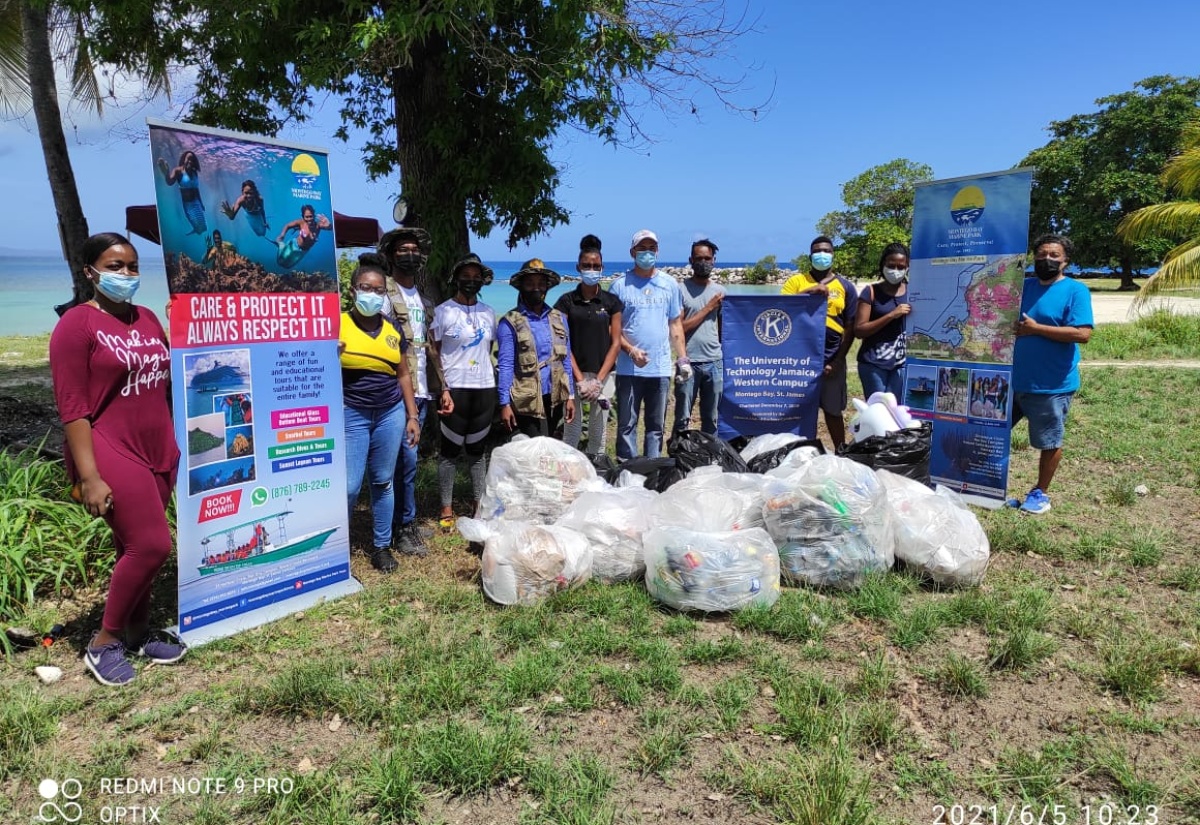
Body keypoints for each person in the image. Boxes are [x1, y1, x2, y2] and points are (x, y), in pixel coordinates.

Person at [50, 232, 185, 686]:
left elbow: (165, 378)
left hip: (157, 447)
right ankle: (103, 642)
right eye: (114, 266)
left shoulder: (147, 318)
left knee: (132, 546)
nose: (126, 275)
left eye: (131, 266)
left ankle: (137, 631)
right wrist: (88, 476)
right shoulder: (76, 325)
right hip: (109, 447)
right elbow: (73, 407)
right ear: (90, 271)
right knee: (153, 546)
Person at [339, 255, 422, 570]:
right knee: (349, 486)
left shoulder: (392, 328)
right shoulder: (339, 324)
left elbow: (403, 374)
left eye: (378, 290)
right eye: (365, 288)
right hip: (352, 413)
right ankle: (339, 547)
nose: (372, 295)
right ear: (352, 290)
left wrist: (412, 415)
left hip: (390, 413)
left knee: (383, 481)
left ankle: (381, 546)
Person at [1008, 233, 1093, 514]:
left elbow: (1082, 333)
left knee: (1049, 441)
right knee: (991, 435)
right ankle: (990, 487)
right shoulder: (1022, 287)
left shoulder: (1075, 291)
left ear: (1065, 261)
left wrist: (1036, 329)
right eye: (1042, 254)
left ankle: (1040, 493)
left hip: (1050, 384)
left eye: (1054, 255)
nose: (1047, 259)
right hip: (1009, 382)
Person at [378, 226, 447, 554]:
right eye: (403, 250)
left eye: (415, 251)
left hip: (422, 390)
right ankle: (399, 528)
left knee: (410, 460)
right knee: (402, 460)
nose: (410, 255)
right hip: (396, 390)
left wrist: (443, 387)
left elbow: (430, 347)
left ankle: (408, 519)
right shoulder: (383, 296)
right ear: (391, 256)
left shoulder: (424, 299)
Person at [610, 230, 691, 460]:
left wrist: (683, 359)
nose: (647, 252)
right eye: (642, 248)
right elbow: (612, 328)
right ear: (632, 252)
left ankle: (652, 471)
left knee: (656, 426)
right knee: (627, 424)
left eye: (651, 248)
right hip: (628, 368)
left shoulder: (670, 284)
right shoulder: (619, 285)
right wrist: (630, 349)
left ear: (657, 251)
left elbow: (675, 324)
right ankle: (628, 470)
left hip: (661, 369)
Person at [431, 254, 497, 528]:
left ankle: (478, 504)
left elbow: (489, 348)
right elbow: (434, 351)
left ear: (482, 281)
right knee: (449, 452)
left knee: (477, 452)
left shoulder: (489, 312)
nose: (470, 282)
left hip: (484, 389)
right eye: (465, 278)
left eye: (475, 278)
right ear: (456, 279)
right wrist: (443, 387)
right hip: (454, 388)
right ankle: (446, 507)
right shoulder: (443, 311)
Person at [781, 235, 858, 449]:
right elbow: (780, 309)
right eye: (817, 251)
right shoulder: (796, 282)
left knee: (833, 411)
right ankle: (799, 454)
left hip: (831, 361)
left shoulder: (846, 286)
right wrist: (810, 291)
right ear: (810, 256)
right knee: (799, 412)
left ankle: (841, 452)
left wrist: (838, 360)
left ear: (833, 255)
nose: (822, 255)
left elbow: (850, 327)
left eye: (826, 251)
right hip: (799, 362)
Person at [557, 234, 623, 456]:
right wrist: (580, 379)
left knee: (599, 431)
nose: (591, 269)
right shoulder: (566, 301)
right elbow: (563, 342)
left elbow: (615, 343)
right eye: (586, 265)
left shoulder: (611, 302)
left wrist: (597, 380)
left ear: (602, 267)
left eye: (595, 266)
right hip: (574, 375)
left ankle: (598, 473)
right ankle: (569, 477)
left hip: (603, 376)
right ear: (578, 267)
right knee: (572, 430)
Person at [498, 258, 576, 438]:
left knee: (549, 440)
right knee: (533, 445)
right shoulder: (510, 321)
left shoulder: (559, 318)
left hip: (555, 394)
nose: (536, 288)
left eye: (541, 283)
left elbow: (565, 360)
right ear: (521, 287)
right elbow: (506, 365)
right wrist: (504, 404)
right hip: (526, 396)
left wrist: (570, 395)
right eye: (530, 283)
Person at [673, 238, 725, 435]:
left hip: (714, 362)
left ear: (713, 260)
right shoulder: (680, 290)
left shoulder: (720, 292)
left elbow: (722, 329)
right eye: (698, 258)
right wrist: (708, 308)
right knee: (682, 418)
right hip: (688, 362)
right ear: (690, 260)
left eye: (707, 258)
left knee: (712, 418)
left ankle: (709, 457)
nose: (703, 262)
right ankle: (679, 457)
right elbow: (679, 328)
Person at [854, 242, 911, 399]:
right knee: (878, 411)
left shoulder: (914, 291)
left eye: (901, 267)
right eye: (891, 266)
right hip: (873, 364)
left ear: (907, 268)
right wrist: (891, 315)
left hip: (902, 363)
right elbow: (859, 330)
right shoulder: (870, 292)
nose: (895, 271)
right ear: (883, 265)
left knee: (899, 411)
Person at [156, 150, 207, 235]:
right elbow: (170, 182)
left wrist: (201, 203)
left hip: (196, 203)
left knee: (203, 227)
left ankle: (196, 230)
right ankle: (195, 230)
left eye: (192, 160)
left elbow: (196, 189)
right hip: (188, 205)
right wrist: (166, 174)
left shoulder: (194, 173)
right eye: (188, 159)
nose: (190, 161)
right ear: (184, 159)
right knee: (196, 224)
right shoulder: (178, 171)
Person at [274, 204, 330, 269]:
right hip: (294, 245)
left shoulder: (318, 226)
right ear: (303, 217)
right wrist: (282, 234)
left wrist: (329, 224)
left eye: (310, 216)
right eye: (307, 217)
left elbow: (330, 228)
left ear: (314, 215)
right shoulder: (301, 222)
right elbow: (288, 225)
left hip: (303, 251)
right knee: (280, 261)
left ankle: (281, 245)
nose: (309, 219)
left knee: (287, 266)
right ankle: (280, 244)